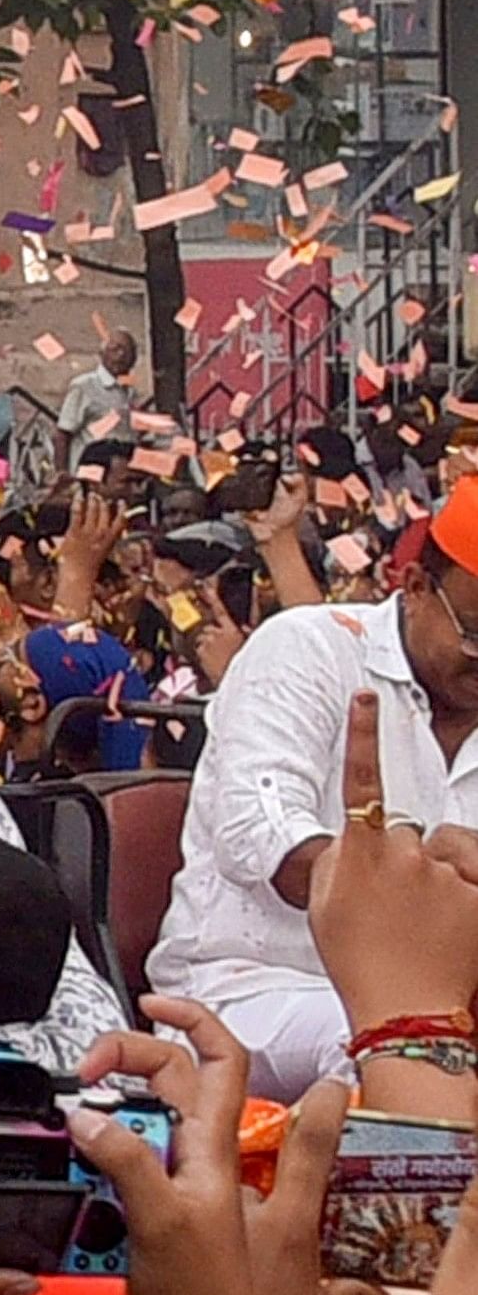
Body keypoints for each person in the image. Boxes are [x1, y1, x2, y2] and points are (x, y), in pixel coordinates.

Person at [147, 470, 478, 1098]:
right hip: (256, 986)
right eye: (476, 635)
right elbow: (261, 840)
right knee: (409, 1052)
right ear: (413, 587)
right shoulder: (307, 649)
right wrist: (398, 883)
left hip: (449, 997)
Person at [57, 329, 142, 457]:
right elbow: (64, 432)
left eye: (127, 351)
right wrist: (62, 472)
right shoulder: (84, 386)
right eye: (115, 349)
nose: (121, 355)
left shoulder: (130, 393)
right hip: (92, 465)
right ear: (102, 353)